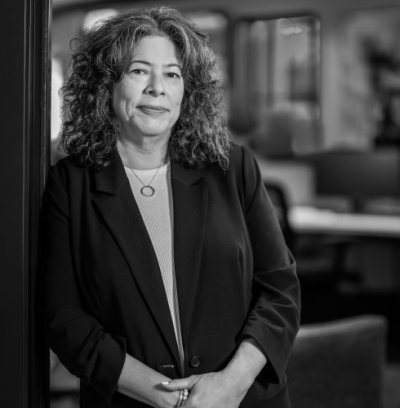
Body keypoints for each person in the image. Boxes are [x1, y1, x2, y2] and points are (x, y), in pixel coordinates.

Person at [39, 6, 300, 408]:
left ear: (187, 91)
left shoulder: (232, 169)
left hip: (242, 398)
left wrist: (231, 384)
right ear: (105, 84)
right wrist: (169, 398)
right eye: (139, 71)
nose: (157, 88)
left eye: (173, 74)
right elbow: (64, 318)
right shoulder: (69, 184)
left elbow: (280, 292)